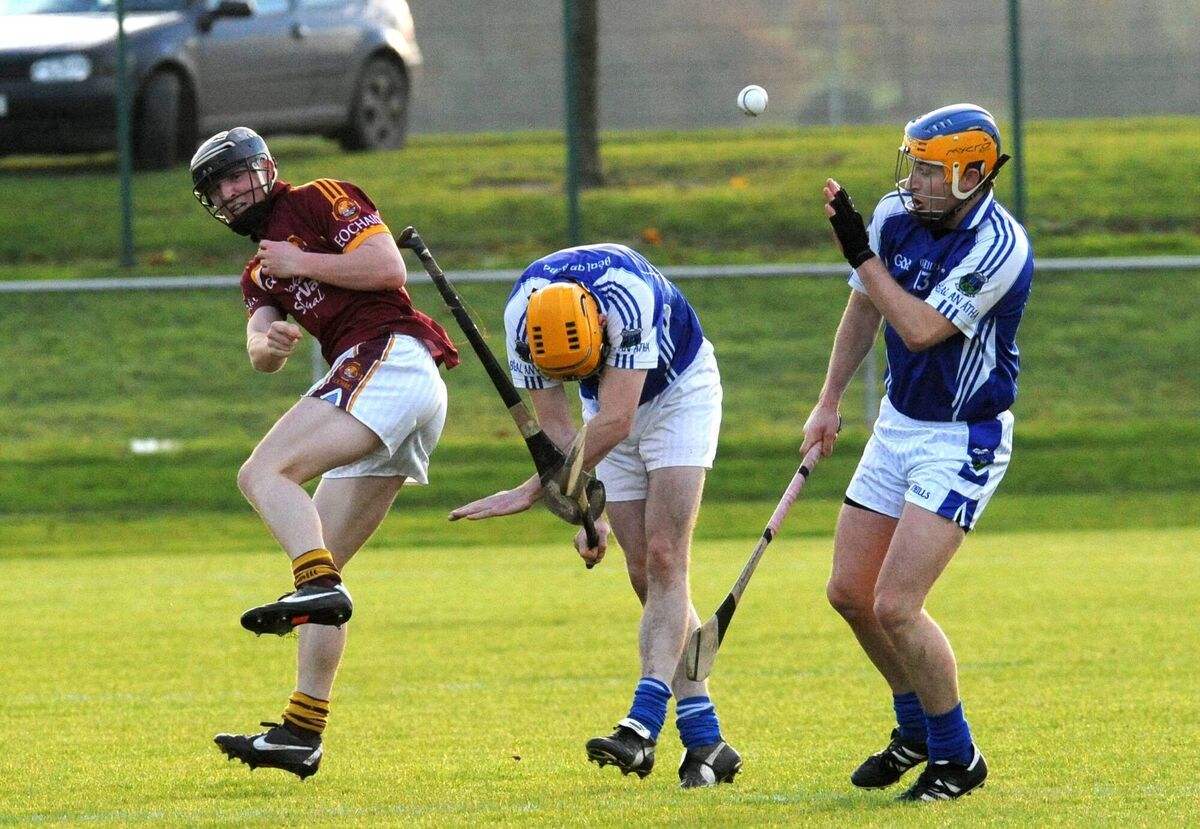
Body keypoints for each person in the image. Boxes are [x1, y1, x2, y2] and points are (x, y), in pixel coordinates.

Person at [188, 127, 459, 779]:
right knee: (321, 573)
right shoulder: (258, 270)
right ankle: (301, 731)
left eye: (235, 174)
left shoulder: (319, 199)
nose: (228, 191)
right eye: (215, 186)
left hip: (389, 355)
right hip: (386, 379)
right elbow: (257, 344)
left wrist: (303, 262)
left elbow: (388, 268)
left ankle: (319, 586)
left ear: (265, 168)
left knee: (263, 473)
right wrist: (271, 345)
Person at [801, 103, 1032, 801]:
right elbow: (866, 307)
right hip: (898, 424)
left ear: (971, 174)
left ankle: (958, 757)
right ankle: (915, 728)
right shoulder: (896, 215)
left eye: (932, 172)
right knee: (849, 593)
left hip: (963, 437)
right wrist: (829, 400)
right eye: (916, 167)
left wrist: (860, 255)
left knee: (897, 603)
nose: (917, 183)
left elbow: (922, 326)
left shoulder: (999, 247)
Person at [449, 244, 742, 788]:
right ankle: (706, 740)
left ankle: (642, 724)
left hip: (679, 394)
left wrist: (530, 490)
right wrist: (589, 507)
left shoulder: (625, 302)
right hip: (603, 411)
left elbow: (618, 419)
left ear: (600, 325)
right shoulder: (524, 320)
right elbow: (561, 427)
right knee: (644, 573)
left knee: (664, 555)